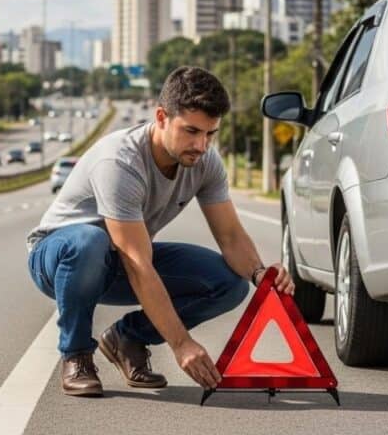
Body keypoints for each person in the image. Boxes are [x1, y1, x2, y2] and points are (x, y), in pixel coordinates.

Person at [25, 66, 294, 397]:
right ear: (162, 117)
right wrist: (181, 343)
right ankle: (76, 353)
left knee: (229, 283)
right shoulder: (120, 163)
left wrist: (260, 274)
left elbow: (231, 237)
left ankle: (128, 338)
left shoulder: (205, 162)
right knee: (89, 242)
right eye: (191, 131)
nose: (201, 145)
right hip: (59, 260)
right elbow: (138, 263)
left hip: (118, 260)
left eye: (210, 134)